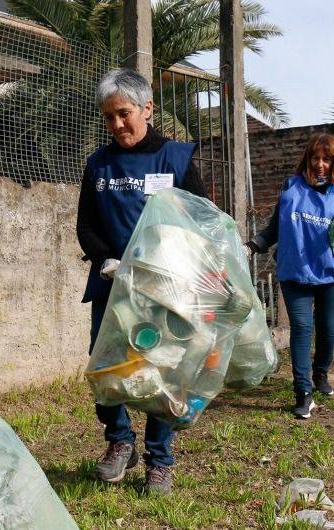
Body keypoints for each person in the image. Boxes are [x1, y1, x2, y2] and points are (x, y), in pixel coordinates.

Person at [76, 68, 207, 494]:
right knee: (108, 366)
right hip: (113, 286)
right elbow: (86, 225)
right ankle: (118, 442)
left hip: (162, 289)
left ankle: (160, 461)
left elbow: (200, 219)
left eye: (124, 113)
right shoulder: (98, 164)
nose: (117, 124)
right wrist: (106, 258)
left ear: (147, 109)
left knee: (160, 373)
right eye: (108, 116)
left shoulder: (176, 159)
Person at [245, 133, 334, 419]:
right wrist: (251, 246)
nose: (320, 164)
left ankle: (320, 373)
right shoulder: (291, 188)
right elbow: (275, 228)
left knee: (328, 330)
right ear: (307, 160)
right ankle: (303, 392)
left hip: (331, 273)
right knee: (301, 328)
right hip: (294, 271)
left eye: (327, 159)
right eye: (315, 158)